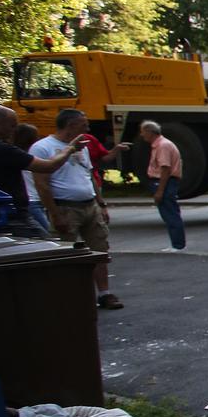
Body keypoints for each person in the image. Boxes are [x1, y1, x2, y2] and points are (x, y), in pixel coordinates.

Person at [31, 110, 122, 309]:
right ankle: (69, 298)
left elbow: (89, 175)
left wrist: (101, 204)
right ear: (70, 126)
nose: (87, 129)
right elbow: (42, 184)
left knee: (100, 250)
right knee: (65, 254)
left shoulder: (82, 146)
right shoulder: (43, 148)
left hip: (90, 205)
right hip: (65, 207)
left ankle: (105, 293)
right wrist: (55, 214)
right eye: (84, 125)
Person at [0, 107, 82, 240]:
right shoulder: (4, 150)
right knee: (46, 246)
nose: (14, 130)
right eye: (12, 126)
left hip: (2, 212)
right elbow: (49, 166)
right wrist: (70, 149)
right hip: (13, 214)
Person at [138, 121, 186, 251]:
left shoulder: (163, 146)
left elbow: (165, 168)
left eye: (143, 132)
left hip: (165, 182)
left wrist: (160, 190)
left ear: (150, 132)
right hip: (166, 182)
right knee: (169, 213)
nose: (142, 135)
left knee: (170, 214)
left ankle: (178, 245)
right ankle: (176, 244)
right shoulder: (161, 144)